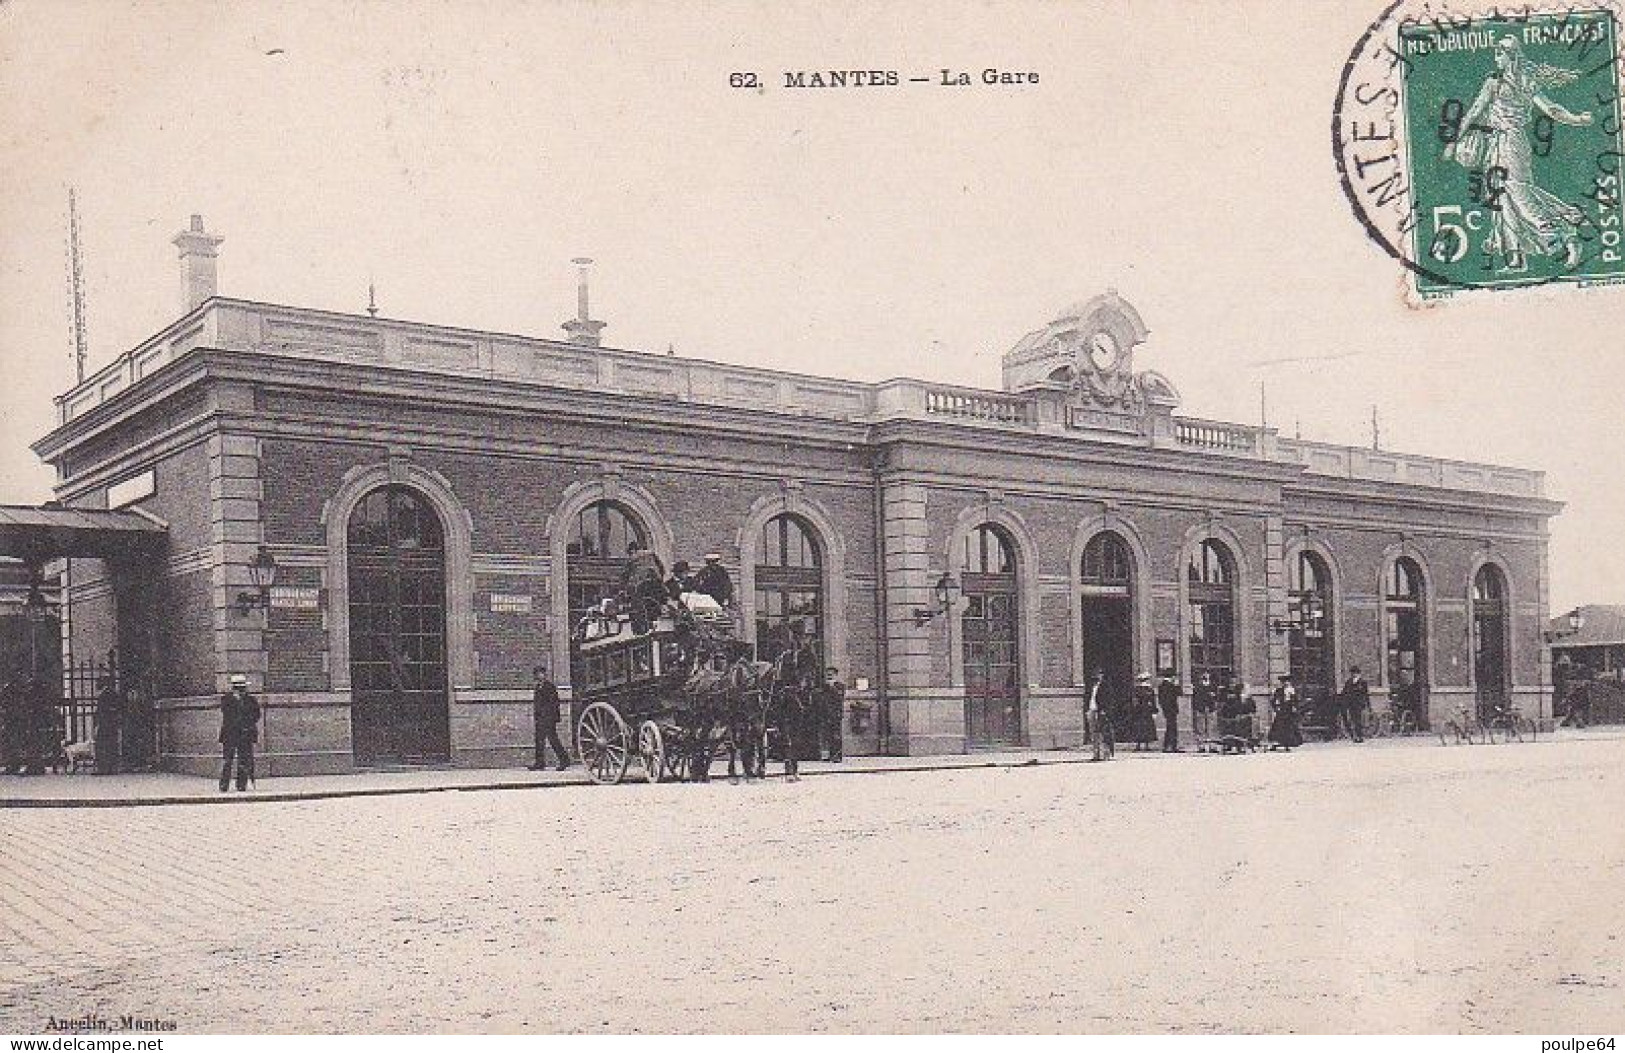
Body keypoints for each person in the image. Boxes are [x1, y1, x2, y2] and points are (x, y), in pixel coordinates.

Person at [1443, 36, 1594, 273]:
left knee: (1519, 194)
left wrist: (1452, 143)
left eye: (1499, 53)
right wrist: (1577, 119)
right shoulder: (1521, 81)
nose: (1496, 57)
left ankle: (1563, 236)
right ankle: (1515, 258)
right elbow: (1551, 109)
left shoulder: (1500, 82)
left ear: (1510, 55)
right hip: (1501, 143)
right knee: (1501, 199)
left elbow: (1473, 114)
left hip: (1510, 144)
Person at [218, 674, 261, 792]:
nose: (242, 690)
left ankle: (241, 785)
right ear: (234, 688)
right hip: (230, 734)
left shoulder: (251, 700)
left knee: (244, 760)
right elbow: (227, 715)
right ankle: (224, 785)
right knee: (227, 760)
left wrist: (248, 725)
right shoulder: (226, 699)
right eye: (239, 688)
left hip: (246, 734)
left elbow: (256, 714)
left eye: (243, 688)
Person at [530, 666, 570, 771]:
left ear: (544, 675)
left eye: (540, 673)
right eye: (537, 674)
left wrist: (552, 718)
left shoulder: (550, 687)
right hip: (540, 719)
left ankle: (564, 760)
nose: (539, 675)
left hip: (548, 718)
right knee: (539, 741)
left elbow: (554, 703)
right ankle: (540, 763)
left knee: (553, 740)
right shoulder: (538, 688)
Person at [93, 676, 123, 775]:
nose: (96, 685)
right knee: (109, 745)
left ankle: (104, 768)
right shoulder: (109, 693)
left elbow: (115, 708)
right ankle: (109, 768)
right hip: (108, 723)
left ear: (104, 683)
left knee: (103, 745)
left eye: (98, 682)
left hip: (106, 723)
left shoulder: (108, 693)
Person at [1218, 672, 1255, 752]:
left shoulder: (1238, 691)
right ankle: (1229, 745)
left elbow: (1241, 704)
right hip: (1228, 714)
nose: (1232, 683)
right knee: (1228, 730)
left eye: (1234, 681)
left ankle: (1239, 745)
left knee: (1238, 730)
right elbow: (1221, 702)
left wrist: (1240, 713)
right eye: (1231, 682)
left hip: (1237, 713)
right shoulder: (1224, 690)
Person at [1085, 668, 1115, 761]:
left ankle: (1105, 754)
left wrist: (1105, 710)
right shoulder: (1091, 687)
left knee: (1103, 733)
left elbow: (1109, 700)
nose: (1097, 676)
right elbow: (1088, 698)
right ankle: (1096, 754)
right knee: (1094, 734)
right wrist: (1087, 709)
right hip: (1091, 711)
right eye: (1095, 674)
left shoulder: (1106, 686)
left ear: (1102, 675)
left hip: (1100, 711)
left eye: (1099, 674)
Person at [1269, 674, 1304, 750]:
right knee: (1278, 728)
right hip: (1281, 712)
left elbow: (1296, 701)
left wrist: (1294, 707)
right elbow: (1273, 700)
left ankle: (1288, 744)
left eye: (1287, 682)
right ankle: (1276, 743)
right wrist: (1276, 708)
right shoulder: (1278, 690)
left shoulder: (1292, 690)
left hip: (1289, 712)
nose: (1286, 683)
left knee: (1289, 728)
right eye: (1284, 682)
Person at [818, 666, 845, 762]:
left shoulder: (840, 686)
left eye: (831, 674)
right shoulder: (824, 686)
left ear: (836, 675)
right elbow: (821, 698)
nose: (829, 676)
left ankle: (837, 756)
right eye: (828, 674)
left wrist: (832, 687)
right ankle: (829, 755)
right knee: (827, 735)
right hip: (826, 714)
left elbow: (839, 697)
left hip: (836, 714)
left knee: (836, 735)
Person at [1339, 665, 1369, 743]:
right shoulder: (1349, 682)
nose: (1353, 675)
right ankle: (1354, 736)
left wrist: (1367, 704)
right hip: (1350, 703)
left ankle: (1360, 736)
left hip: (1358, 703)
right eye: (1352, 673)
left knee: (1358, 720)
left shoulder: (1363, 682)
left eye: (1355, 673)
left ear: (1358, 674)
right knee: (1352, 719)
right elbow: (1344, 692)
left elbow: (1365, 694)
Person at [1130, 673, 1158, 750]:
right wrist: (1154, 710)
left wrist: (1154, 710)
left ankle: (1143, 745)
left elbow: (1152, 701)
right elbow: (1152, 701)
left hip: (1143, 710)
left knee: (1144, 727)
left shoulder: (1144, 689)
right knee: (1142, 727)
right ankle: (1142, 745)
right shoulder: (1144, 690)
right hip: (1143, 710)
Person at [1157, 672, 1182, 752]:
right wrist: (1177, 685)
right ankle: (1173, 747)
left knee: (1169, 727)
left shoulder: (1161, 686)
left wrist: (1164, 708)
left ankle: (1167, 746)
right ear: (1172, 677)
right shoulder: (1171, 686)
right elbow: (1180, 693)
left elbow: (1160, 700)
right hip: (1171, 710)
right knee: (1173, 728)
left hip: (1167, 710)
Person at [1191, 671, 1216, 751]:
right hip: (1200, 709)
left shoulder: (1213, 686)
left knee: (1211, 727)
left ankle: (1212, 745)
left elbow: (1216, 696)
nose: (1206, 676)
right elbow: (1195, 698)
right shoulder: (1198, 686)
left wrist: (1213, 696)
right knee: (1200, 727)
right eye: (1204, 675)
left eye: (1207, 674)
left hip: (1210, 708)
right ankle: (1201, 745)